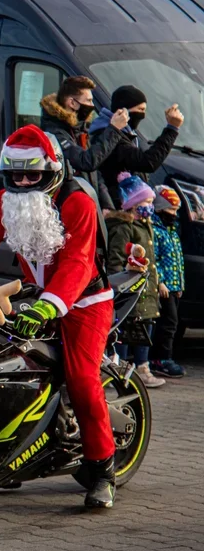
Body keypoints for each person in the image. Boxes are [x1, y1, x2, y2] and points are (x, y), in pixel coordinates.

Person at [0, 125, 118, 509]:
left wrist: (51, 305)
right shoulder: (2, 202)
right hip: (33, 297)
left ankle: (102, 470)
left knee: (82, 380)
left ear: (53, 171)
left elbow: (79, 263)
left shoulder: (77, 201)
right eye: (15, 175)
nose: (23, 182)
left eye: (33, 174)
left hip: (84, 302)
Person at [106, 173, 164, 387]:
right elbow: (116, 259)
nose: (150, 206)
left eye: (150, 202)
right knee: (124, 331)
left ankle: (143, 368)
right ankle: (117, 368)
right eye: (146, 202)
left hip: (147, 292)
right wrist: (121, 285)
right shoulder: (125, 227)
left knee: (145, 330)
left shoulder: (146, 226)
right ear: (133, 204)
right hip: (131, 291)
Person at [40, 75, 128, 211]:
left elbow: (95, 172)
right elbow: (85, 161)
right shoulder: (55, 132)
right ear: (72, 103)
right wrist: (114, 129)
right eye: (88, 100)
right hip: (68, 208)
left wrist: (106, 206)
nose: (92, 106)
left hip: (89, 206)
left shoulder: (79, 129)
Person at [88, 85, 182, 207]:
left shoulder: (125, 133)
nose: (143, 115)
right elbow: (147, 162)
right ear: (124, 110)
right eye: (141, 110)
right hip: (114, 205)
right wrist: (172, 129)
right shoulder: (109, 135)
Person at [151, 185, 186, 378]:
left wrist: (180, 285)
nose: (173, 214)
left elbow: (178, 260)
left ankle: (163, 357)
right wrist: (160, 281)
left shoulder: (171, 231)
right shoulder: (155, 231)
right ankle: (161, 358)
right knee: (168, 322)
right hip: (163, 287)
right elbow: (154, 258)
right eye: (171, 209)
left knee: (172, 321)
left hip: (174, 287)